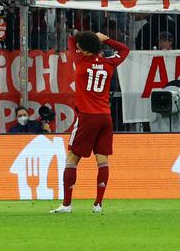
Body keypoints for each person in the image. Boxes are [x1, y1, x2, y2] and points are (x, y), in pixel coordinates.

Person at [52, 30, 130, 215]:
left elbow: (71, 40)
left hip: (87, 116)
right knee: (102, 160)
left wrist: (91, 37)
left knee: (72, 158)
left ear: (85, 51)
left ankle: (66, 204)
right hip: (105, 117)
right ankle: (98, 205)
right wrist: (106, 39)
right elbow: (125, 49)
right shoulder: (109, 62)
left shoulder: (80, 60)